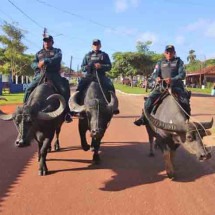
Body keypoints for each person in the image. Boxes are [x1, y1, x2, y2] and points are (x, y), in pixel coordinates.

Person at [134, 45, 191, 126]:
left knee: (185, 101)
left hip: (176, 87)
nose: (169, 53)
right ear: (165, 53)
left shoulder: (179, 62)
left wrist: (172, 79)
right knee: (149, 100)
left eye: (171, 52)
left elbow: (182, 74)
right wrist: (156, 78)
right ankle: (144, 117)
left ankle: (186, 120)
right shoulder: (160, 62)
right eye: (167, 52)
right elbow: (154, 74)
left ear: (174, 53)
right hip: (162, 87)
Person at [23, 35, 72, 123]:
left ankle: (67, 112)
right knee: (28, 88)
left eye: (48, 41)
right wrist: (37, 65)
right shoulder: (39, 53)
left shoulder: (57, 51)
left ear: (52, 42)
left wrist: (45, 60)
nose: (46, 43)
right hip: (41, 74)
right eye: (45, 41)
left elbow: (57, 58)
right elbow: (33, 63)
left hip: (54, 74)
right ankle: (25, 109)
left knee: (64, 89)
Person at [75, 39, 119, 114]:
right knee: (80, 86)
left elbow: (109, 66)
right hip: (89, 76)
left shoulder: (104, 55)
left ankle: (113, 107)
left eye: (97, 44)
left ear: (100, 46)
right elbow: (82, 67)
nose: (96, 46)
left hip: (101, 76)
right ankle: (77, 107)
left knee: (110, 85)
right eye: (94, 44)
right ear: (92, 46)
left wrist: (101, 66)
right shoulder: (87, 55)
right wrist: (88, 66)